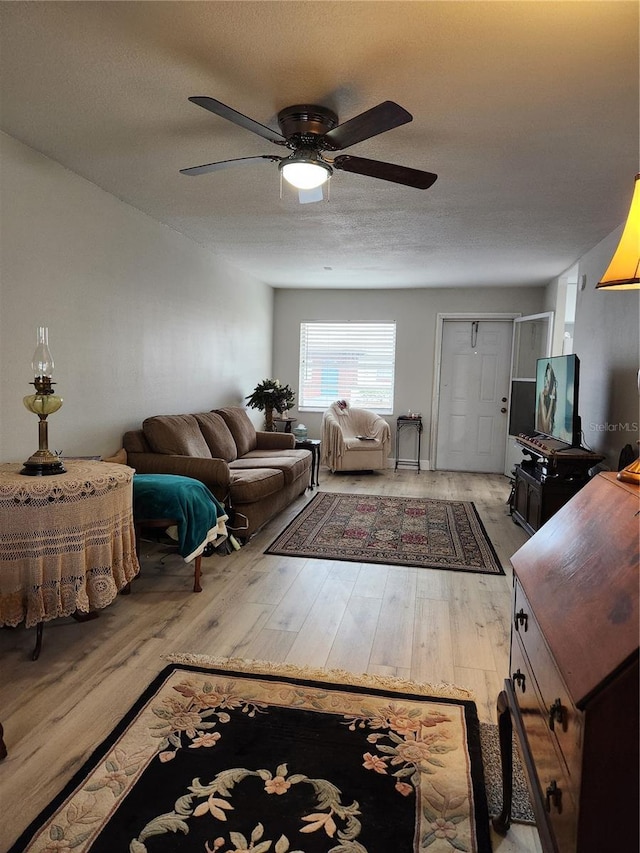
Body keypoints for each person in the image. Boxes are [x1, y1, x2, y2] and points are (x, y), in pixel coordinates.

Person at [536, 362, 557, 435]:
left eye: (548, 382)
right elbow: (546, 429)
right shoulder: (542, 396)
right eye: (545, 379)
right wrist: (552, 401)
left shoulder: (548, 397)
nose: (545, 384)